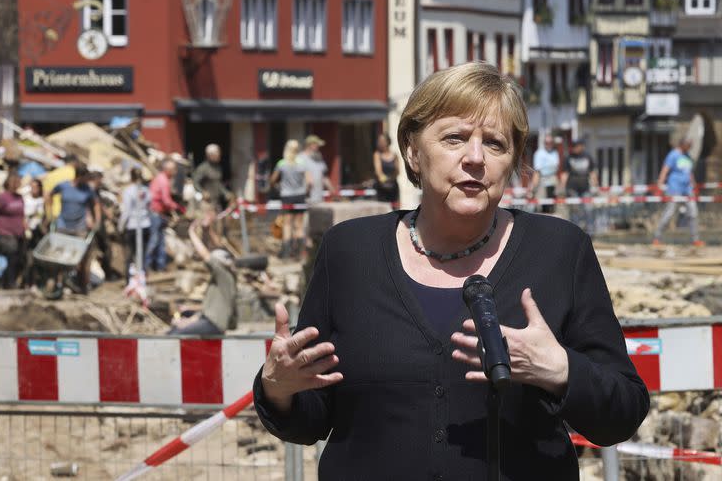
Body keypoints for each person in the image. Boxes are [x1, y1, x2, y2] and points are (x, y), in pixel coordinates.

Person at [253, 62, 648, 479]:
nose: (474, 158)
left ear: (513, 159)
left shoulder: (560, 251)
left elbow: (622, 413)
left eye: (495, 143)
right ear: (412, 150)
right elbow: (314, 417)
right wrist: (279, 389)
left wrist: (561, 371)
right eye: (454, 138)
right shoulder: (349, 253)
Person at [46, 166, 101, 293]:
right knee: (58, 255)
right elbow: (49, 195)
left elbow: (96, 204)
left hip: (79, 227)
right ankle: (58, 283)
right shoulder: (64, 186)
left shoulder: (87, 190)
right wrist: (50, 214)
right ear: (79, 177)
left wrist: (96, 220)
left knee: (81, 257)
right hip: (63, 225)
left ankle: (82, 285)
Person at [653, 138, 704, 246]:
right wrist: (660, 185)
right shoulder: (673, 155)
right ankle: (657, 237)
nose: (690, 148)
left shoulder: (687, 156)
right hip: (674, 188)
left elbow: (689, 172)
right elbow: (665, 170)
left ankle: (696, 239)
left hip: (687, 189)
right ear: (682, 144)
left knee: (693, 213)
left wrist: (694, 185)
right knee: (669, 213)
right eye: (688, 145)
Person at [271, 140, 312, 259]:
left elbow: (272, 180)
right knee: (299, 226)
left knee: (287, 225)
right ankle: (298, 254)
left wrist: (278, 188)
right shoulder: (302, 163)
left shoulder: (282, 163)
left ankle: (285, 254)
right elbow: (310, 182)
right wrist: (306, 192)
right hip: (300, 196)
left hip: (287, 196)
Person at [147, 159, 184, 272]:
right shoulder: (163, 181)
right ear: (168, 170)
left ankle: (160, 266)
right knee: (154, 240)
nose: (175, 172)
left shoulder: (161, 178)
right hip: (155, 214)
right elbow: (166, 201)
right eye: (173, 169)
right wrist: (178, 207)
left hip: (159, 214)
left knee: (161, 241)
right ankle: (146, 266)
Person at [0, 173, 26, 289]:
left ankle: (7, 281)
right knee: (10, 257)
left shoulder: (19, 197)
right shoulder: (2, 197)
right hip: (5, 232)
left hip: (19, 233)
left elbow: (22, 214)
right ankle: (8, 282)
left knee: (17, 258)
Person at [118, 168, 151, 282]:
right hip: (145, 225)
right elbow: (148, 207)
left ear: (131, 177)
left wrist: (120, 226)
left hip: (132, 226)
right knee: (141, 254)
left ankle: (129, 281)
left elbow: (126, 211)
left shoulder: (128, 191)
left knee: (130, 255)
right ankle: (141, 279)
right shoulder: (146, 190)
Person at [560, 139, 598, 232]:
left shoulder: (587, 157)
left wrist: (596, 185)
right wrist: (562, 188)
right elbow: (565, 174)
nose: (574, 148)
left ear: (581, 146)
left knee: (588, 209)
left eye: (576, 146)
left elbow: (592, 172)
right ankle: (575, 232)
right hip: (572, 188)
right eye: (573, 146)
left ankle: (590, 231)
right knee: (575, 211)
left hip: (585, 188)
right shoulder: (568, 157)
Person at [192, 143, 233, 211]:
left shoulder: (218, 168)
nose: (219, 156)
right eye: (217, 154)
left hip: (216, 202)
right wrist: (202, 192)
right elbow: (195, 182)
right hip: (206, 203)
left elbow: (218, 184)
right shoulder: (203, 168)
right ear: (210, 155)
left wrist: (226, 193)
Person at [297, 135, 334, 204]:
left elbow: (324, 177)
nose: (319, 147)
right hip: (305, 199)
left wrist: (332, 190)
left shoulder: (318, 157)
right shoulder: (300, 158)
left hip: (318, 198)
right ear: (310, 145)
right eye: (317, 144)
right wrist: (305, 193)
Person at [22, 178, 45, 287]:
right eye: (32, 186)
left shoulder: (42, 200)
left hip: (38, 232)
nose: (34, 189)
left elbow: (43, 216)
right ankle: (26, 282)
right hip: (27, 231)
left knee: (36, 259)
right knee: (27, 258)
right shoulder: (26, 199)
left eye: (36, 187)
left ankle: (35, 283)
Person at [529, 134, 559, 214]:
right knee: (542, 204)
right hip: (542, 180)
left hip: (552, 180)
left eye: (550, 142)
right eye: (547, 142)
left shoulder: (555, 153)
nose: (549, 144)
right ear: (544, 143)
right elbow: (537, 172)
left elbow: (556, 169)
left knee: (552, 205)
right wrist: (533, 186)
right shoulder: (539, 153)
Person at [373, 132, 400, 203]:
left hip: (393, 187)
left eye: (382, 141)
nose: (380, 143)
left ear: (388, 142)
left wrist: (391, 179)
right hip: (382, 188)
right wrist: (385, 180)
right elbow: (378, 172)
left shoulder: (394, 155)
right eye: (379, 141)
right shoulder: (377, 155)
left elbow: (397, 171)